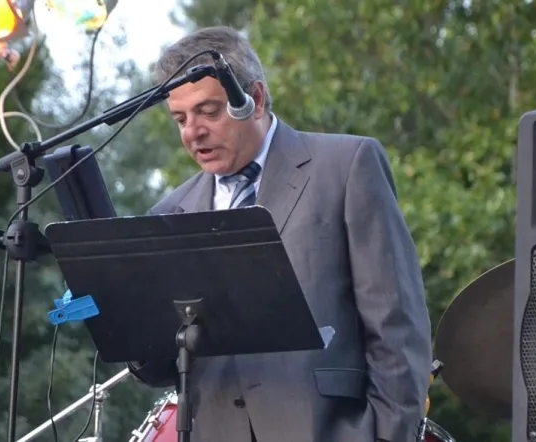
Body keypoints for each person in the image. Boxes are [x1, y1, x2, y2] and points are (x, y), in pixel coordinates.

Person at [126, 26, 433, 442]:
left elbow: (397, 326)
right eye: (180, 119)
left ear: (254, 100)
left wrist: (389, 436)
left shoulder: (347, 166)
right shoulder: (168, 213)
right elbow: (161, 368)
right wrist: (126, 318)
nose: (192, 132)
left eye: (208, 112)